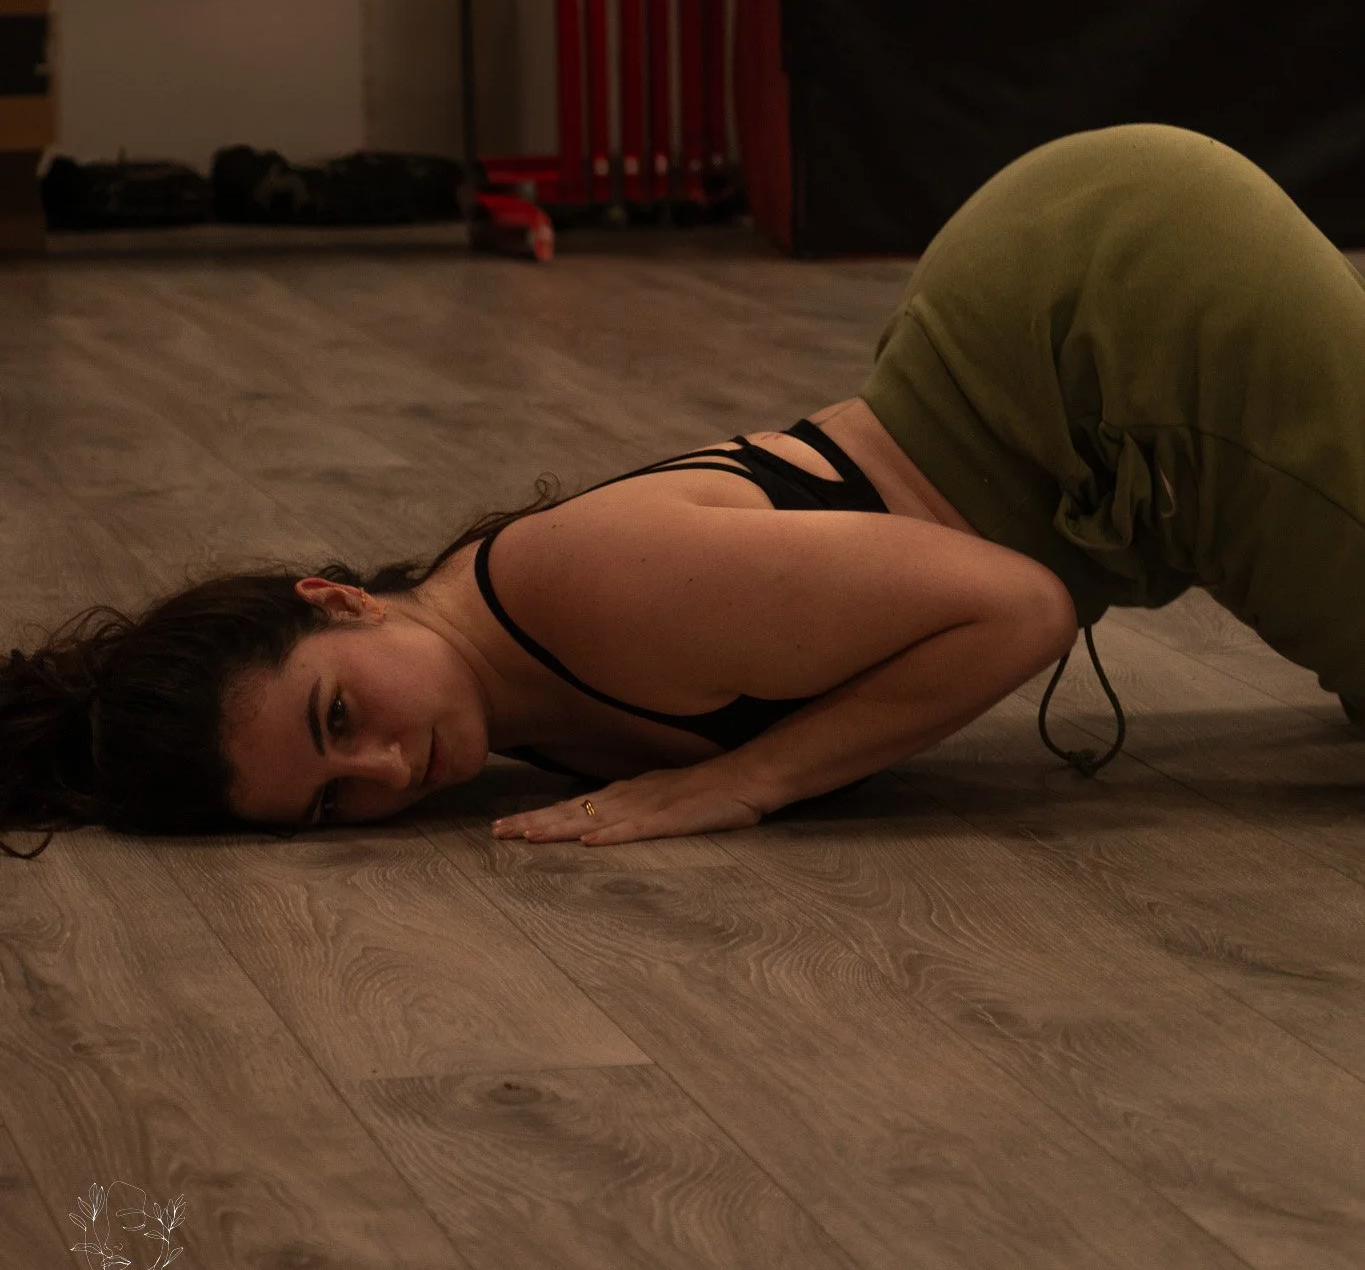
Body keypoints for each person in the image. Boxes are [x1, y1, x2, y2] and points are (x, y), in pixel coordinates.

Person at [3, 124, 1361, 860]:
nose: (380, 772)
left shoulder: (575, 592)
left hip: (1122, 320)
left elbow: (1018, 606)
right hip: (1083, 410)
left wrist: (748, 786)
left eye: (340, 713)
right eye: (326, 802)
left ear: (341, 600)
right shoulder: (519, 697)